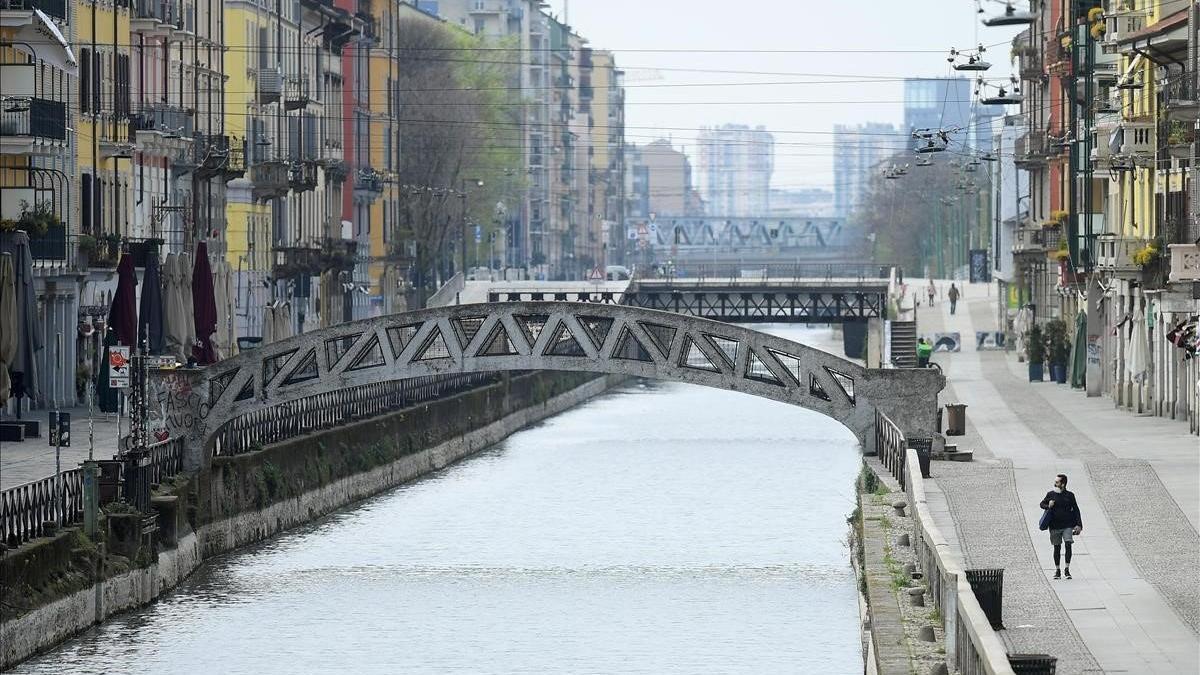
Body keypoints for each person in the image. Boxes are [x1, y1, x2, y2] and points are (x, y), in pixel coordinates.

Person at [1039, 474, 1083, 579]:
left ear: (1063, 484)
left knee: (1068, 544)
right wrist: (1048, 505)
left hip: (1067, 525)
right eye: (1055, 481)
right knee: (1057, 547)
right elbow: (1041, 504)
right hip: (1054, 526)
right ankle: (1057, 570)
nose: (1055, 483)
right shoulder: (1050, 494)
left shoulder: (1070, 495)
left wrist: (1079, 525)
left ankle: (1067, 569)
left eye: (1057, 482)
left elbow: (1076, 510)